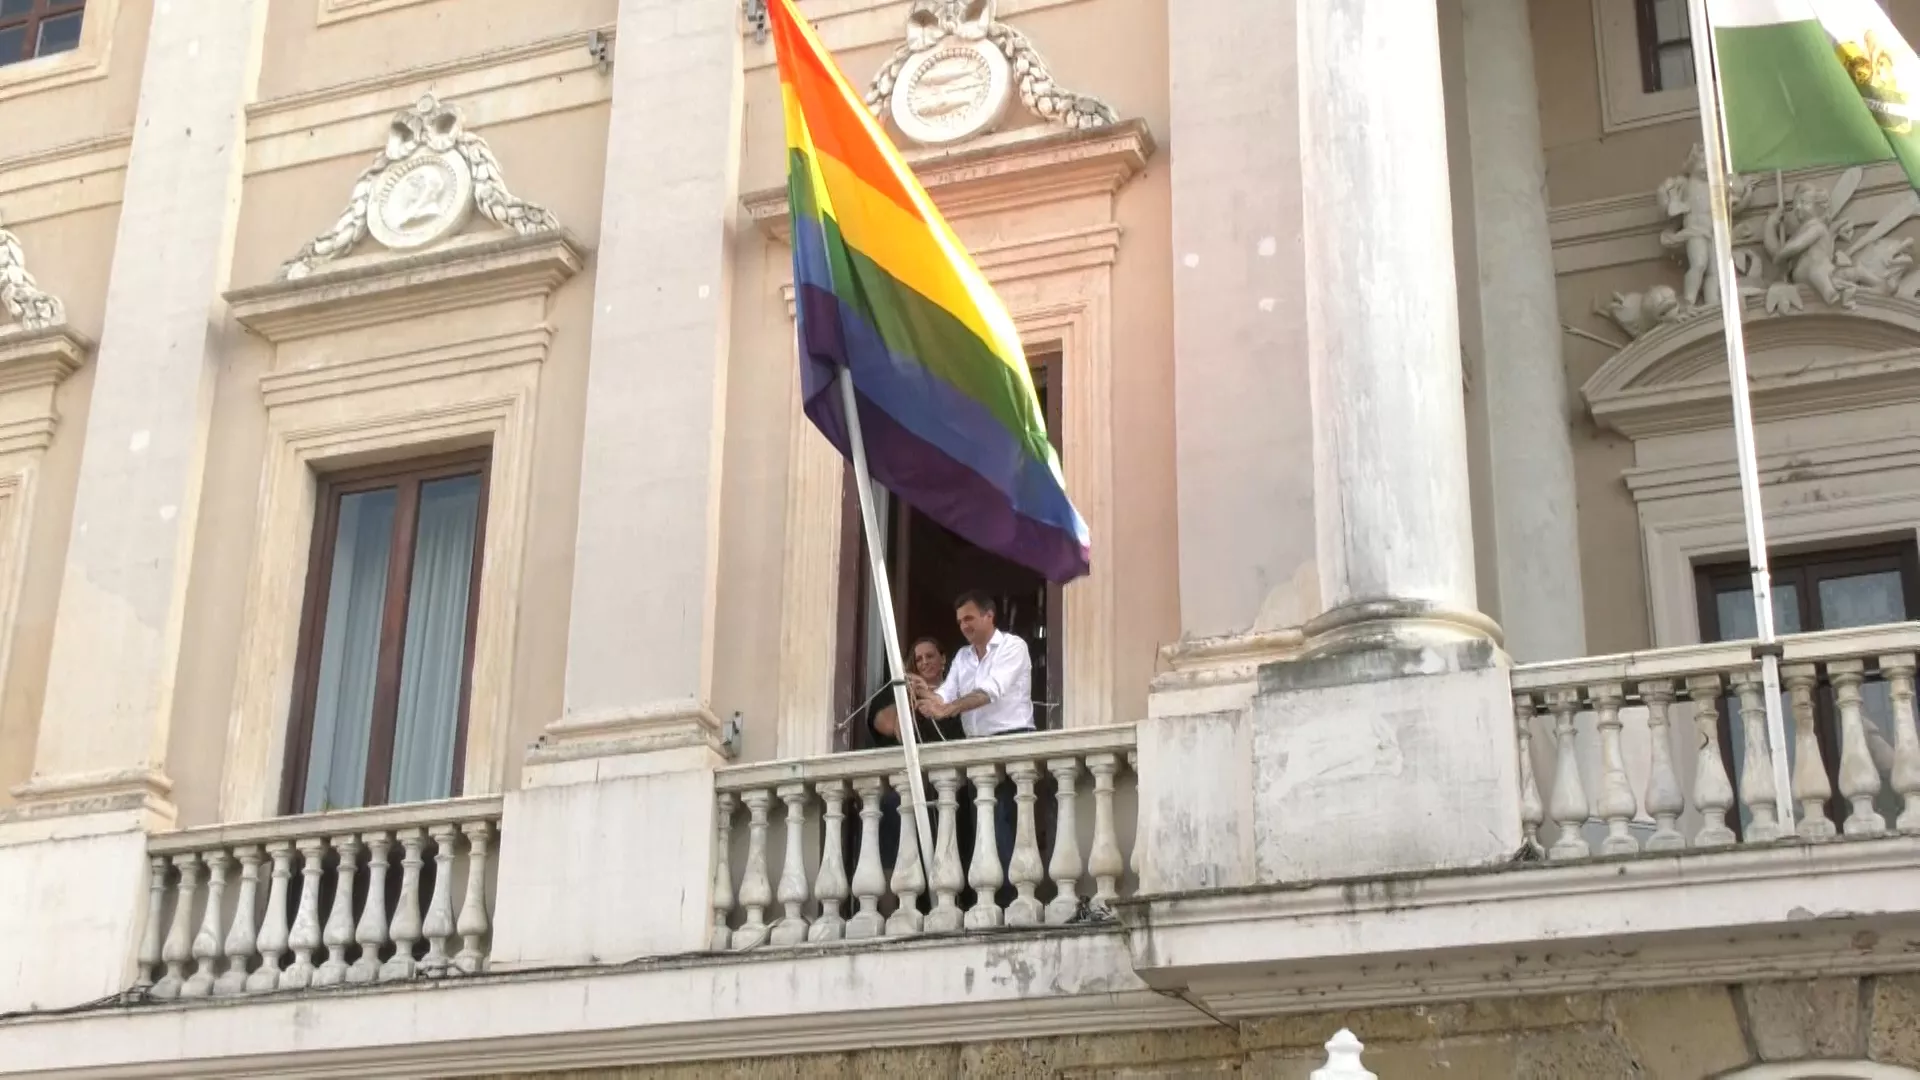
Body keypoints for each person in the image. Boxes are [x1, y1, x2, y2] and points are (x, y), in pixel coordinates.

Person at [915, 590, 1034, 904]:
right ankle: (988, 900)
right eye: (959, 621)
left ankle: (1012, 902)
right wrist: (927, 696)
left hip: (1011, 743)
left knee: (1006, 825)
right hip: (976, 749)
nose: (964, 626)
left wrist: (948, 708)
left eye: (969, 618)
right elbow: (946, 692)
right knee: (983, 827)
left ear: (988, 615)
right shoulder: (963, 657)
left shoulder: (1013, 647)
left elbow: (990, 691)